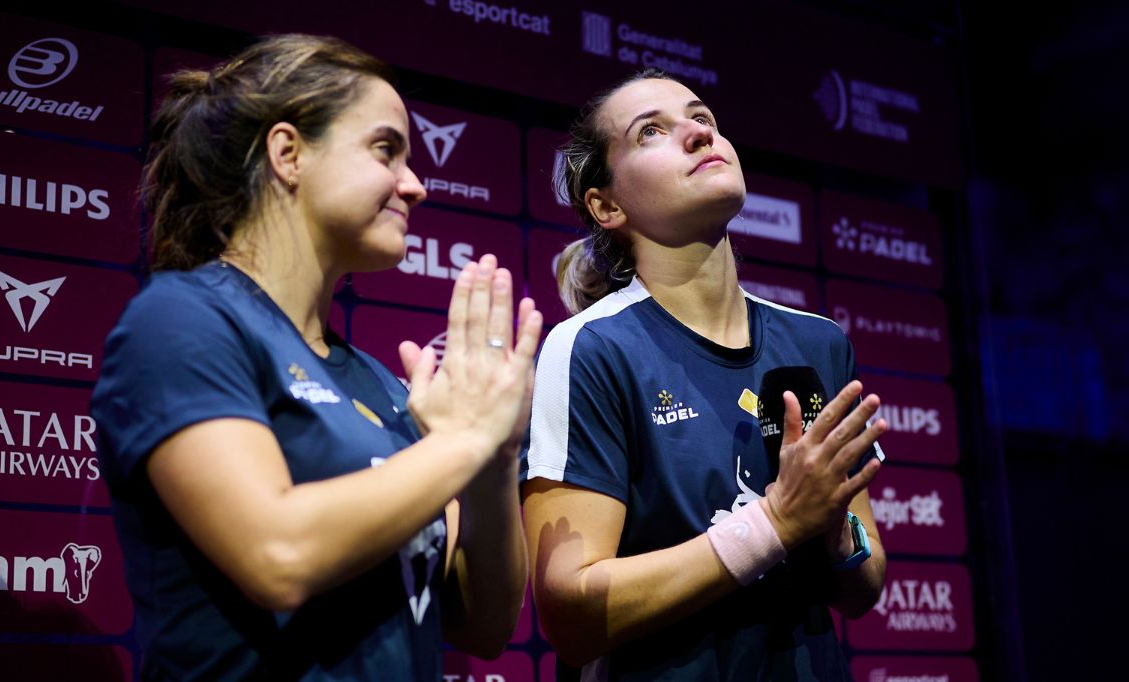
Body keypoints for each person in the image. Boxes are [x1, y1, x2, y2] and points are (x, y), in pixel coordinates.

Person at [91, 34, 541, 681]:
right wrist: (465, 439)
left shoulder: (380, 383)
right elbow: (277, 554)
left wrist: (494, 458)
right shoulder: (181, 319)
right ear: (288, 154)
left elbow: (483, 625)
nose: (414, 186)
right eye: (385, 149)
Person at [521, 69, 888, 681]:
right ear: (607, 206)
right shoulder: (590, 348)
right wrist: (776, 523)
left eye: (702, 118)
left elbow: (863, 586)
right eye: (650, 132)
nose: (697, 134)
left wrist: (832, 532)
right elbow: (572, 616)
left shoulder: (818, 343)